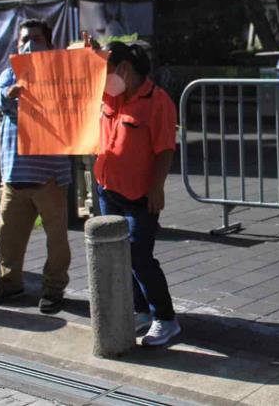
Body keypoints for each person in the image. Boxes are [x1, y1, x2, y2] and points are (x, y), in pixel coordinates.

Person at [0, 19, 72, 314]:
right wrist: (7, 94)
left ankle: (54, 291)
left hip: (49, 177)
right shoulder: (9, 74)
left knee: (57, 241)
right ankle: (9, 285)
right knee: (7, 239)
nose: (28, 44)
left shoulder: (61, 77)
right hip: (14, 176)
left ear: (49, 44)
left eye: (36, 38)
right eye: (23, 40)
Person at [95, 42, 180, 346]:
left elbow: (165, 150)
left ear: (124, 69)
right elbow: (79, 77)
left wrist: (157, 188)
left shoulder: (158, 102)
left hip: (140, 197)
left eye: (104, 69)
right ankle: (141, 311)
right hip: (108, 189)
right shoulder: (111, 96)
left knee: (139, 257)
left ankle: (165, 319)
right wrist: (88, 51)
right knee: (120, 255)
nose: (100, 77)